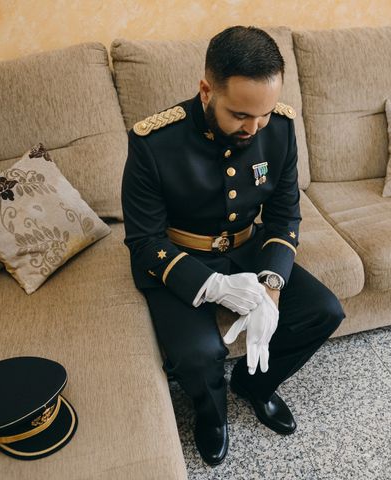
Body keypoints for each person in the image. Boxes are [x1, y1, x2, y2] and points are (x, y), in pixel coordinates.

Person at [121, 25, 346, 466]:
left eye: (262, 115)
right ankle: (212, 413)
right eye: (241, 115)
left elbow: (284, 214)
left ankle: (254, 385)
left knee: (325, 311)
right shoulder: (153, 142)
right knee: (200, 355)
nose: (254, 127)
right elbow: (143, 240)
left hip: (248, 246)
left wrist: (271, 283)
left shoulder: (279, 126)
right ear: (206, 91)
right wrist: (215, 286)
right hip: (179, 255)